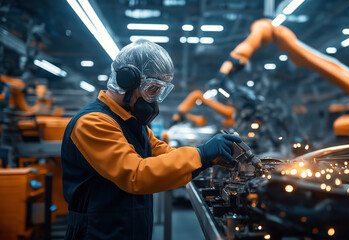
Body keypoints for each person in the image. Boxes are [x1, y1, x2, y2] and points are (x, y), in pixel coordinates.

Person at [61, 39, 241, 240]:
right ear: (126, 80)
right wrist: (201, 154)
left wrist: (208, 159)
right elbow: (136, 174)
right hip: (96, 233)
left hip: (126, 230)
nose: (153, 100)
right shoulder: (93, 123)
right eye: (152, 89)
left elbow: (164, 154)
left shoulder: (132, 123)